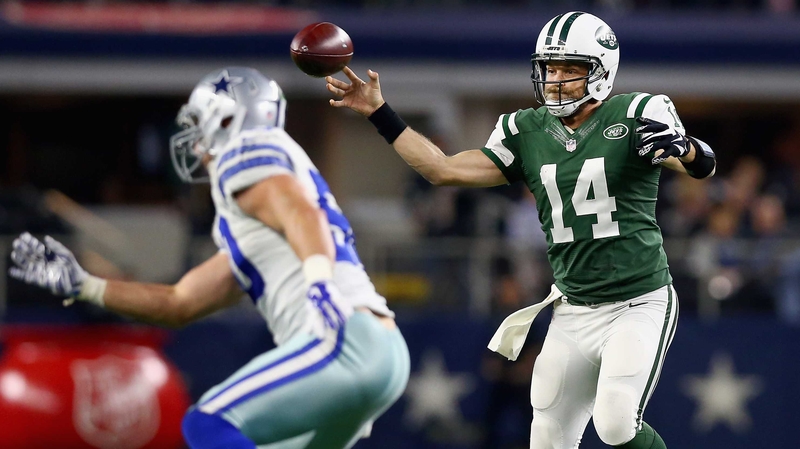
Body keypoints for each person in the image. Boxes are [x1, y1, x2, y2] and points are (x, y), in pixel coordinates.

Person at [326, 11, 716, 449]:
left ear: (601, 72)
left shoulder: (637, 112)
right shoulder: (525, 130)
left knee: (616, 421)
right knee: (547, 436)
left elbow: (699, 165)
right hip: (573, 307)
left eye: (570, 69)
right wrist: (380, 113)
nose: (556, 80)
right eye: (550, 68)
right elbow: (442, 169)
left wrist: (688, 149)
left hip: (637, 302)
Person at [9, 67, 410, 449]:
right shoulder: (257, 216)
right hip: (382, 350)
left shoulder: (244, 151)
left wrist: (319, 283)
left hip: (343, 338)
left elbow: (300, 213)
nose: (195, 141)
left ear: (228, 118)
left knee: (208, 422)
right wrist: (86, 285)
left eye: (200, 123)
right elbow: (179, 303)